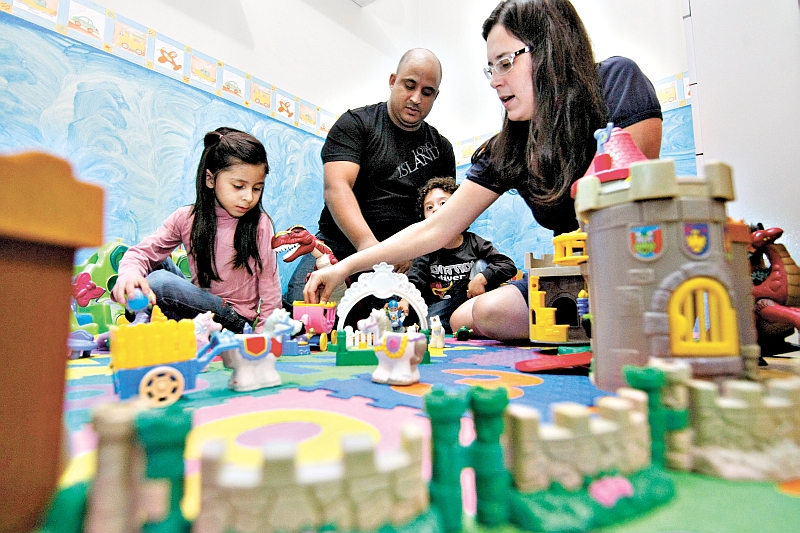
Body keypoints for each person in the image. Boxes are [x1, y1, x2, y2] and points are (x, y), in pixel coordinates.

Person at [304, 0, 662, 341]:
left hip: (633, 264)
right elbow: (434, 229)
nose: (494, 81)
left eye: (506, 63)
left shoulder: (616, 81)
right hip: (571, 279)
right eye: (492, 68)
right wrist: (342, 268)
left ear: (550, 47)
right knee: (476, 314)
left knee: (618, 309)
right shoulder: (512, 144)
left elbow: (626, 206)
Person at [282, 48, 456, 308]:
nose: (416, 98)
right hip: (341, 244)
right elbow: (336, 188)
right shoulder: (355, 124)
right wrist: (367, 246)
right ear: (392, 81)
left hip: (405, 259)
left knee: (409, 323)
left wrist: (414, 253)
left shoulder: (441, 149)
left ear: (436, 96)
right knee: (303, 308)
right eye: (409, 85)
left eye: (427, 92)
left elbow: (443, 216)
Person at [111, 127, 281, 334]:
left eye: (257, 188)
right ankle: (150, 321)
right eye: (238, 186)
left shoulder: (261, 224)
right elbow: (142, 252)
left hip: (234, 318)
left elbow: (270, 287)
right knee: (155, 263)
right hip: (199, 306)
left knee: (159, 284)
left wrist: (265, 335)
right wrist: (128, 275)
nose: (249, 197)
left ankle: (159, 321)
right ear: (210, 180)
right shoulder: (186, 217)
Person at [400, 177, 517, 333]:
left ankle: (480, 323)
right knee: (427, 323)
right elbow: (416, 278)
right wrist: (405, 299)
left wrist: (482, 278)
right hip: (442, 307)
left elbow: (507, 265)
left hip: (473, 302)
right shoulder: (426, 250)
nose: (435, 209)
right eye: (429, 207)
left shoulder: (474, 242)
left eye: (443, 203)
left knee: (482, 265)